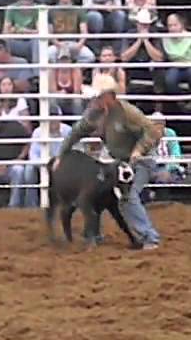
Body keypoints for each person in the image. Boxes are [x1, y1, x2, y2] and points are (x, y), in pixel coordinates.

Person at [54, 74, 163, 250]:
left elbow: (151, 131)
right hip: (118, 161)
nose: (94, 100)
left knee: (128, 196)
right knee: (103, 190)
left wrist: (138, 150)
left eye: (98, 97)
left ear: (108, 97)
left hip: (141, 160)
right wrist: (61, 154)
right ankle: (100, 234)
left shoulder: (128, 113)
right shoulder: (96, 114)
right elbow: (78, 131)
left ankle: (150, 237)